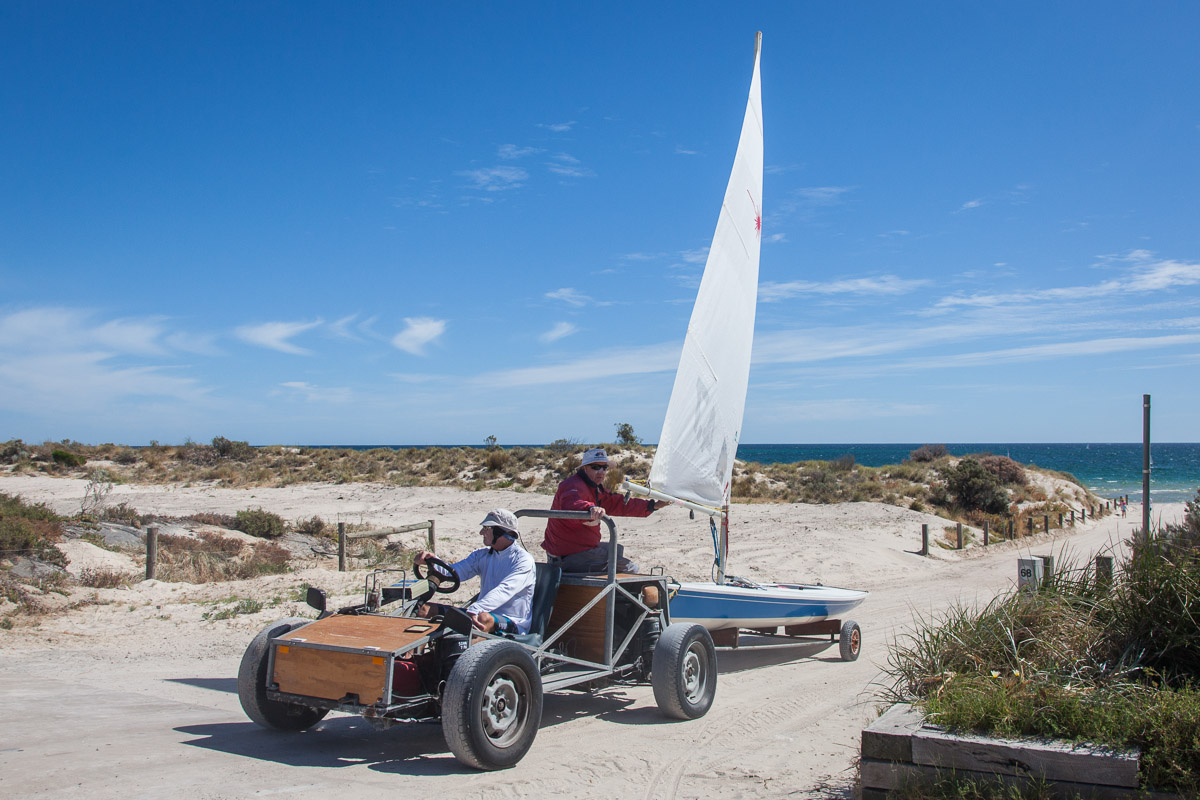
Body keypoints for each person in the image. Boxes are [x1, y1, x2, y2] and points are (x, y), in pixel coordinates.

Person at [541, 448, 670, 574]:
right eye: (595, 467)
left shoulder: (595, 489)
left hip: (581, 549)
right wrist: (590, 508)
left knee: (617, 549)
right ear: (584, 468)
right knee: (631, 569)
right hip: (568, 556)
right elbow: (572, 504)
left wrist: (653, 505)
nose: (601, 471)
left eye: (604, 467)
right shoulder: (572, 485)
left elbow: (619, 504)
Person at [413, 508, 536, 635]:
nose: (481, 532)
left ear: (500, 532)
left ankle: (462, 654)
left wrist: (476, 608)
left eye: (486, 528)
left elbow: (505, 590)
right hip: (480, 612)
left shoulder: (524, 561)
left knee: (483, 619)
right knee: (424, 610)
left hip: (513, 621)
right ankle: (411, 654)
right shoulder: (482, 555)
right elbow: (454, 572)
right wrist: (431, 560)